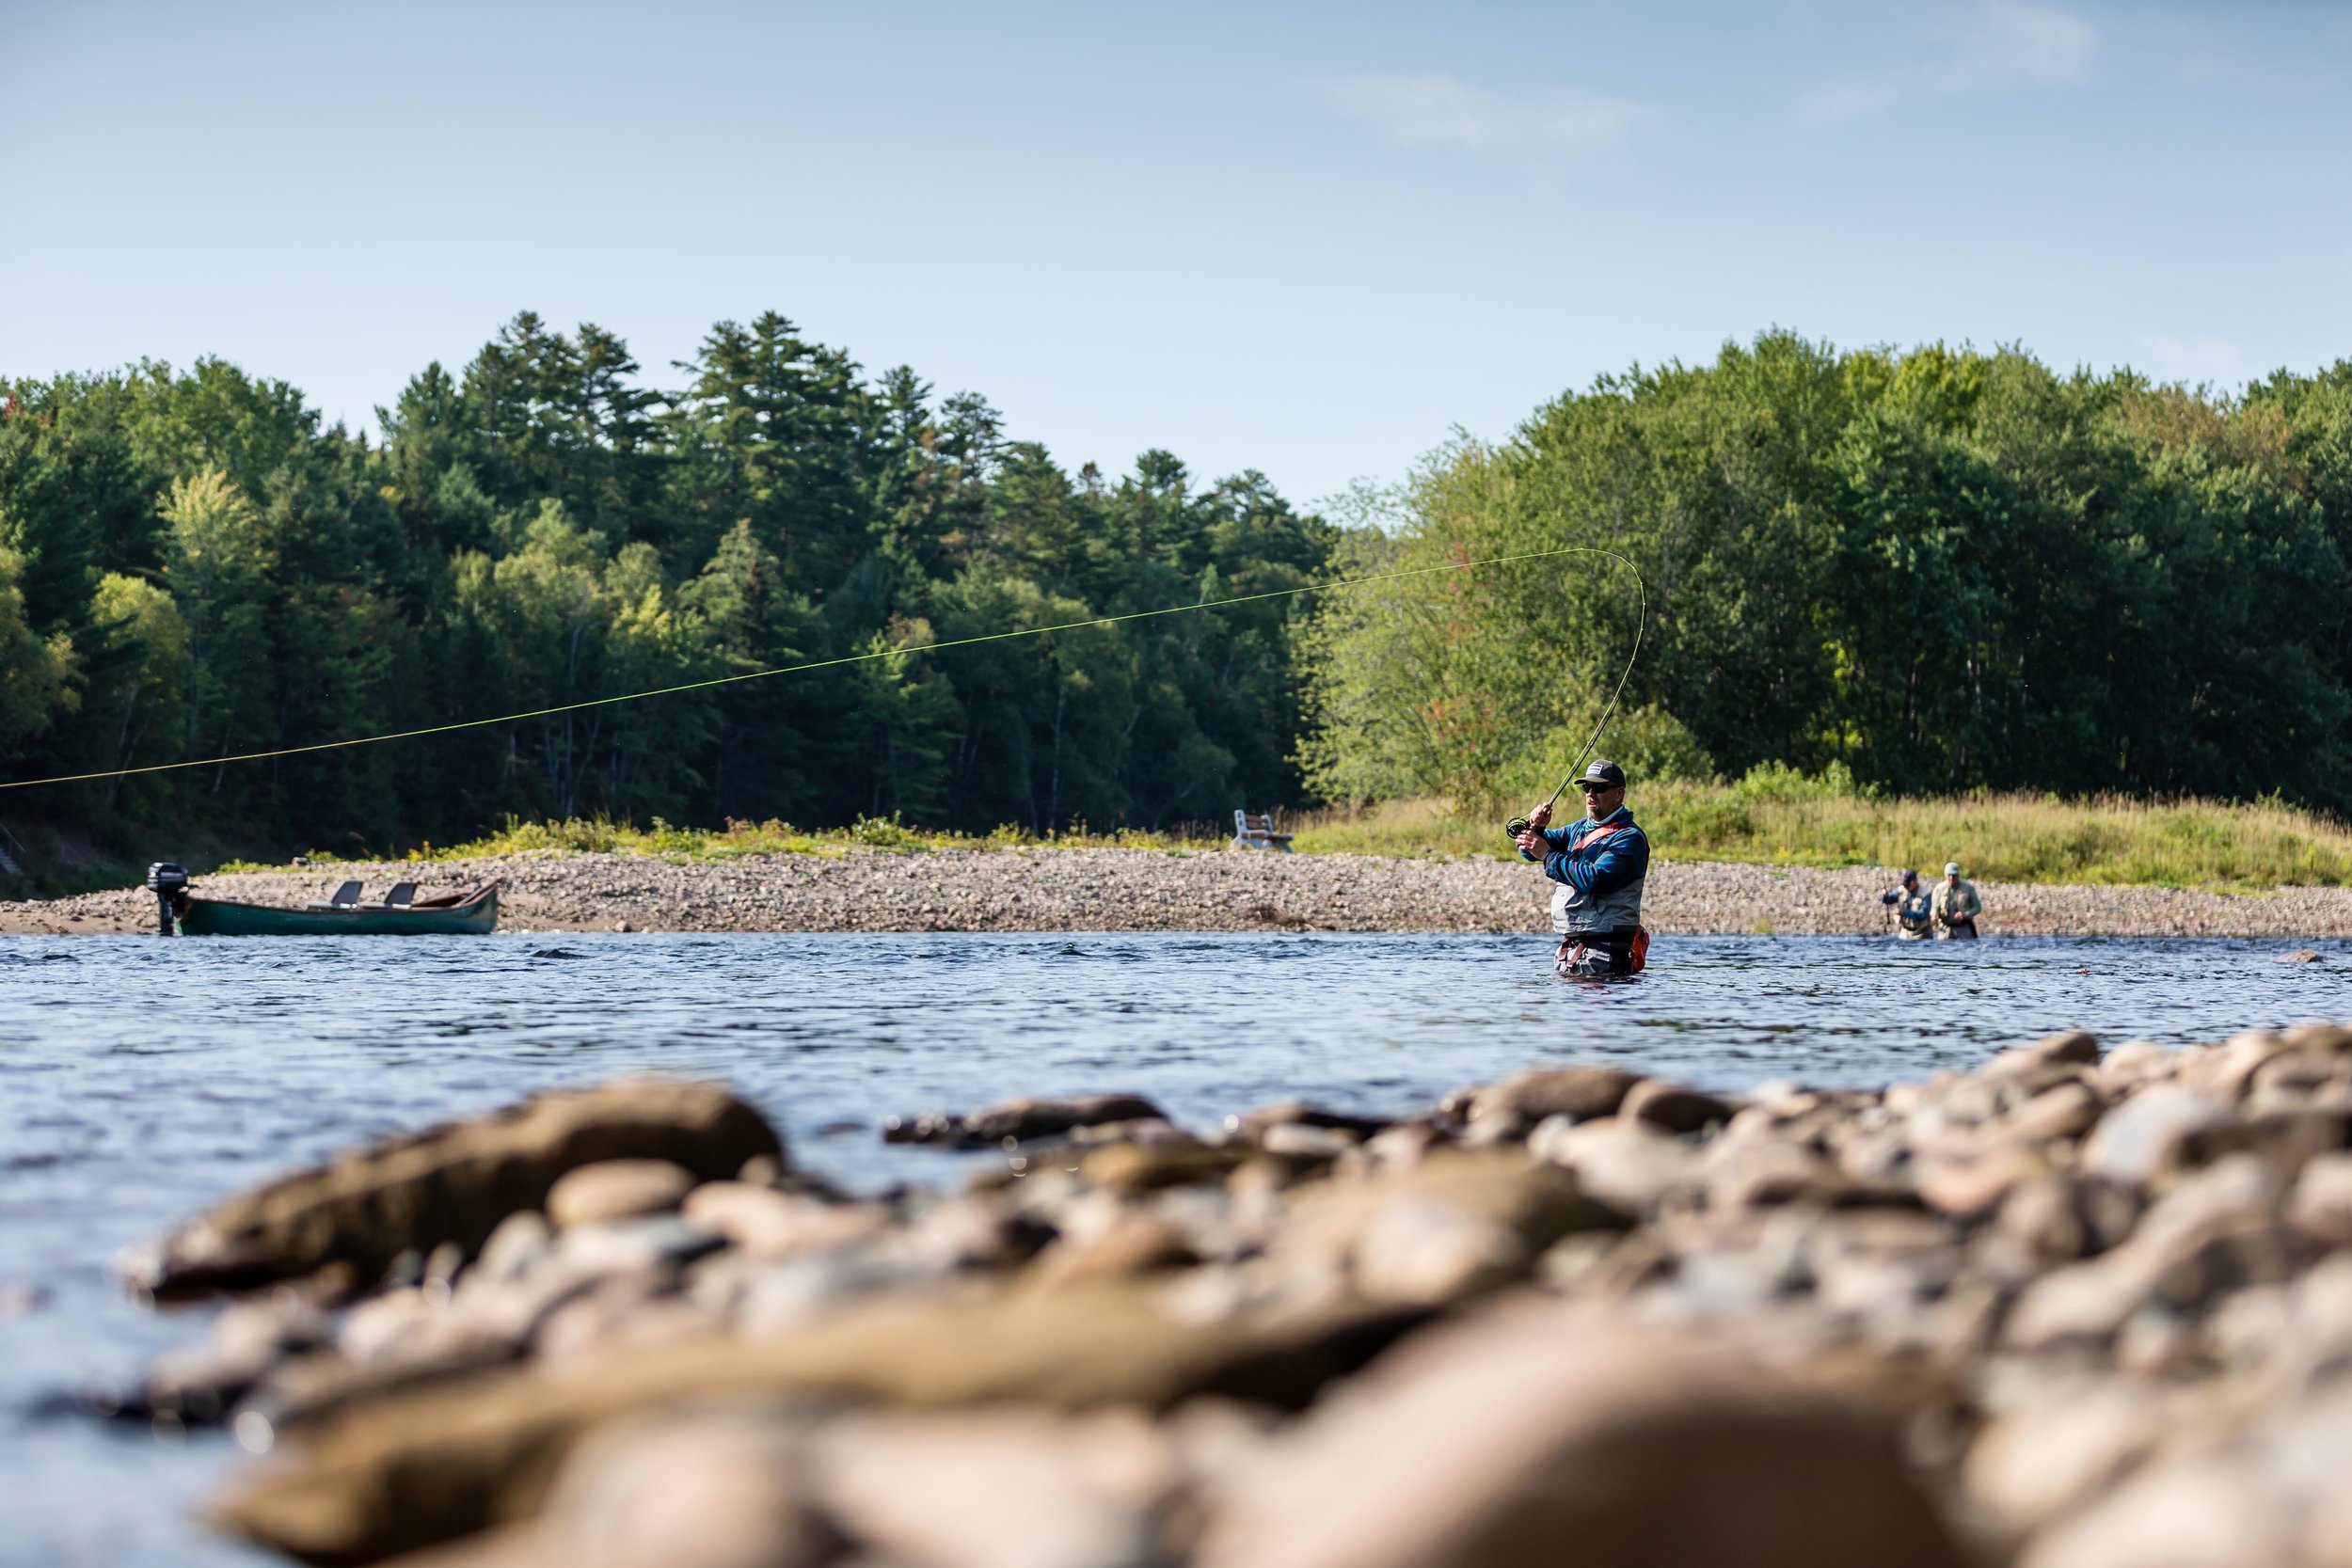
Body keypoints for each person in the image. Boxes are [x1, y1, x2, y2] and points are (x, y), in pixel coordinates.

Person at [1514, 759, 1651, 978]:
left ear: (1619, 793)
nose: (1591, 794)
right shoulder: (1578, 829)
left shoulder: (1629, 838)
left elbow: (1595, 880)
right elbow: (1527, 848)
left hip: (1605, 954)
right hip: (1571, 952)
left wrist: (1547, 855)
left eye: (1599, 788)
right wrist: (1537, 827)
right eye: (1587, 788)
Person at [1931, 861, 1980, 939]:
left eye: (1954, 875)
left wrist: (1966, 914)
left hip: (1964, 928)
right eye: (1949, 875)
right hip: (1944, 929)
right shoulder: (1939, 888)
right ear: (1945, 875)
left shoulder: (1968, 888)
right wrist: (1934, 914)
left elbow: (1977, 908)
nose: (1951, 878)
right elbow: (1934, 907)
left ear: (1959, 875)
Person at [1882, 869, 1932, 939]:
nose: (1906, 886)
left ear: (1914, 882)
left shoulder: (1925, 894)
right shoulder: (1902, 889)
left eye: (1907, 884)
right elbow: (1889, 899)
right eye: (1904, 884)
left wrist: (1904, 912)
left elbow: (1923, 914)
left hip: (1922, 933)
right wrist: (1885, 895)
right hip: (1905, 932)